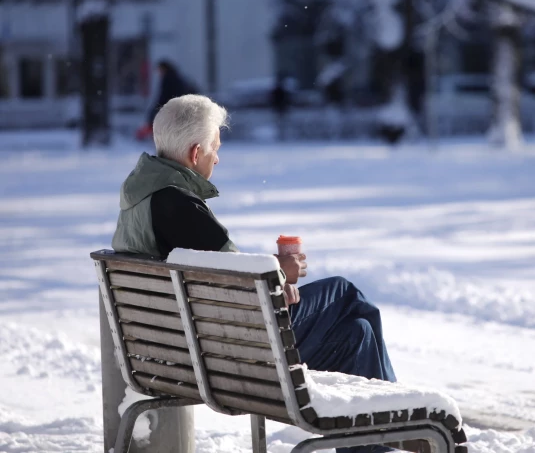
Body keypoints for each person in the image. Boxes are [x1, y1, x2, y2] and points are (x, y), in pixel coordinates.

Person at [112, 94, 397, 453]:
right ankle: (397, 424)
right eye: (216, 147)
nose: (219, 155)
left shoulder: (139, 196)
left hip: (183, 353)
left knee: (358, 334)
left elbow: (221, 281)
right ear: (196, 153)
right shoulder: (178, 206)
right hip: (229, 360)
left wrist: (274, 280)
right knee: (346, 293)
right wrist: (279, 273)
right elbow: (239, 289)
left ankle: (383, 436)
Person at [135, 60, 199, 141]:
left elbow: (164, 96)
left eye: (159, 70)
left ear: (163, 69)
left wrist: (156, 109)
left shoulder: (168, 79)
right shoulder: (177, 77)